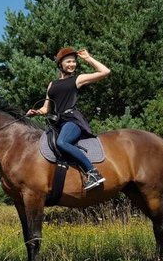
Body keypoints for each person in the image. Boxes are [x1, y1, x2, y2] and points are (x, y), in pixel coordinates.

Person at [26, 47, 111, 191]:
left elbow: (105, 72)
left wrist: (88, 58)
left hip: (72, 120)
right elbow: (46, 108)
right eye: (68, 62)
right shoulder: (52, 84)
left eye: (74, 62)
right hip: (58, 123)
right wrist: (36, 112)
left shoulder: (77, 79)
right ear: (60, 64)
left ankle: (93, 172)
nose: (72, 64)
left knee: (62, 142)